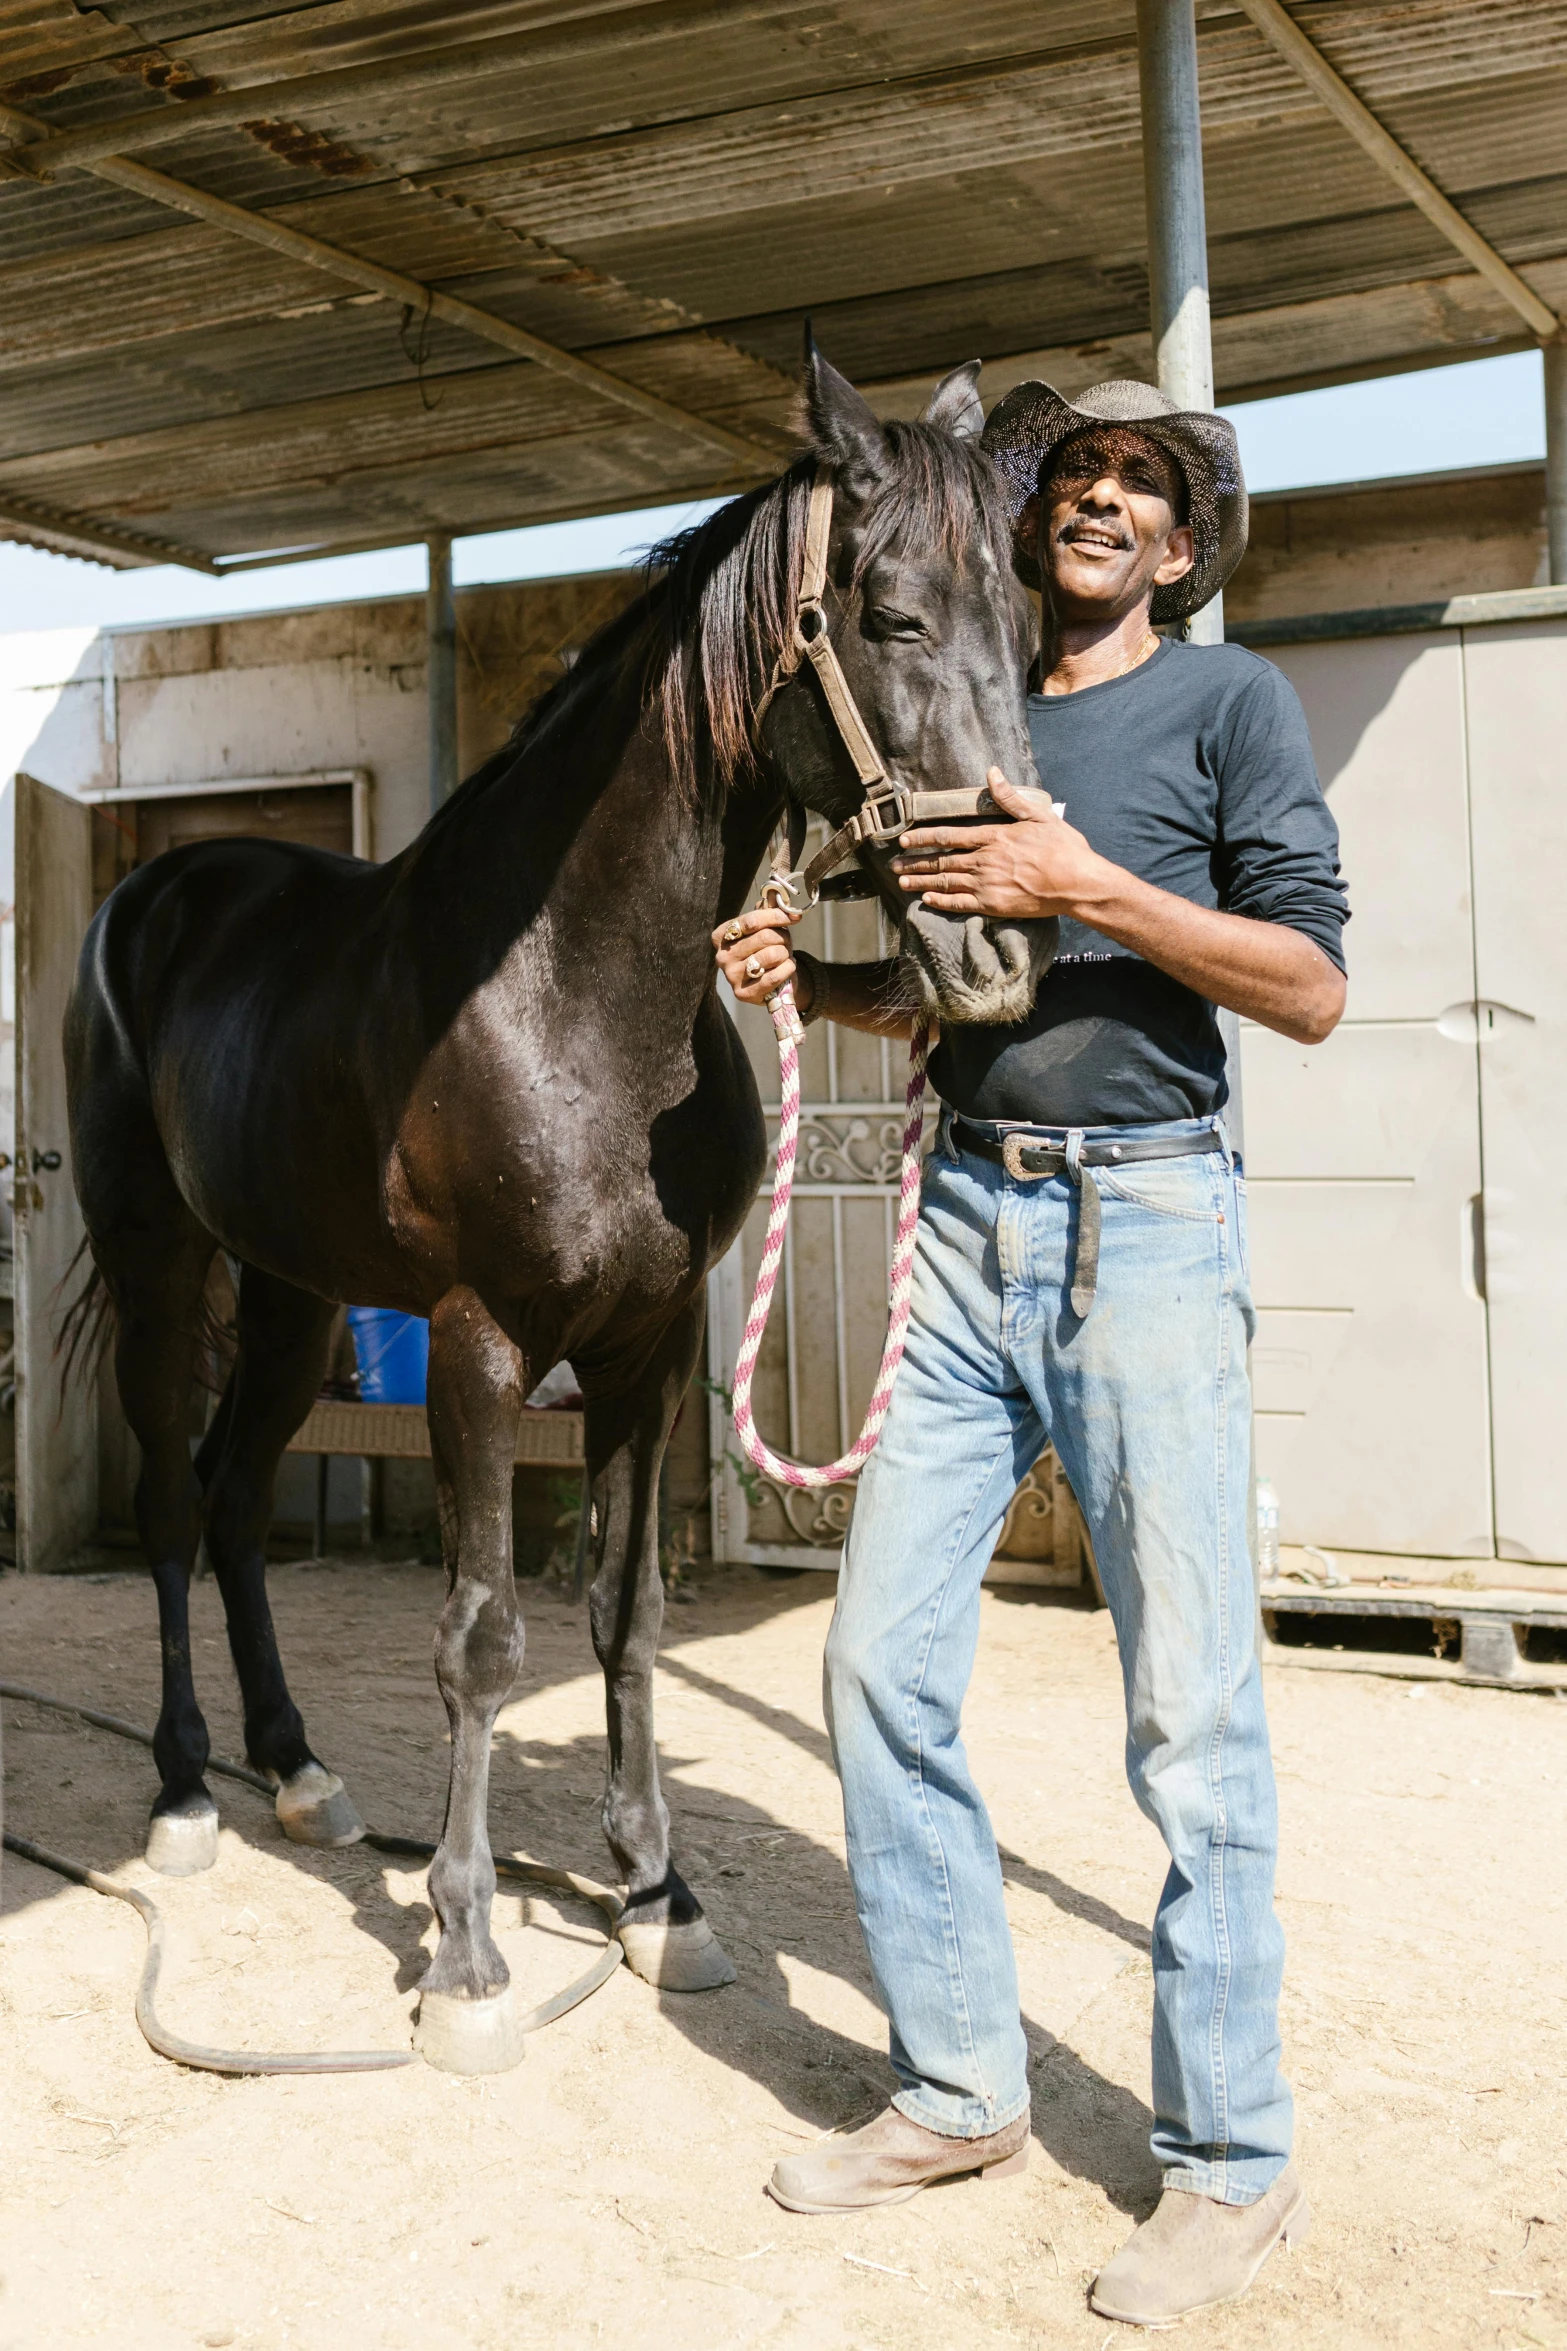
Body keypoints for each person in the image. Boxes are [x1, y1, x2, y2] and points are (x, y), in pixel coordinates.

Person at [713, 378, 1349, 2328]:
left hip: (1149, 1217)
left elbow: (1311, 984)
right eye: (1077, 470)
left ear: (1178, 542)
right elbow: (959, 1002)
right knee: (875, 1660)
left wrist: (1085, 881)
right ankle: (963, 2082)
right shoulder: (975, 710)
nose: (1101, 494)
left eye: (1141, 482)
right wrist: (806, 972)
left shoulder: (1226, 707)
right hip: (976, 1208)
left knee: (1190, 1714)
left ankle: (1232, 2159)